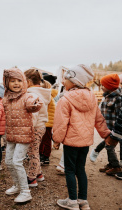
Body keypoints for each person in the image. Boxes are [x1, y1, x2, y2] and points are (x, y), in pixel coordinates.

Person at [53, 64, 110, 210]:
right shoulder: (92, 98)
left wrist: (56, 140)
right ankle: (83, 201)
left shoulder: (65, 99)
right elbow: (99, 119)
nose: (64, 82)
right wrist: (105, 134)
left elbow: (61, 123)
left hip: (71, 142)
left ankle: (72, 201)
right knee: (81, 169)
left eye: (66, 79)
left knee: (70, 170)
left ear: (74, 82)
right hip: (85, 141)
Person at [3, 68, 42, 203]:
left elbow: (32, 104)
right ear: (7, 83)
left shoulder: (27, 96)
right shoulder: (6, 99)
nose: (16, 83)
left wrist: (35, 104)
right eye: (12, 81)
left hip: (24, 135)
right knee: (8, 161)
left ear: (24, 82)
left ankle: (25, 191)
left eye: (19, 80)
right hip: (11, 136)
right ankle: (17, 185)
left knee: (16, 161)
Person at [89, 74, 122, 175]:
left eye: (103, 85)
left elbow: (119, 113)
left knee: (113, 146)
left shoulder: (118, 99)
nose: (102, 87)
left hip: (117, 129)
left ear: (110, 86)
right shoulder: (106, 97)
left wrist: (117, 129)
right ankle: (112, 164)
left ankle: (117, 166)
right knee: (109, 146)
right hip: (108, 128)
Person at [24, 69, 51, 187]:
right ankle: (39, 173)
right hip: (41, 126)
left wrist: (29, 128)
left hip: (34, 127)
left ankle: (31, 178)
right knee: (34, 151)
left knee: (33, 153)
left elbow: (33, 115)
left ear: (28, 82)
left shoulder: (32, 94)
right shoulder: (42, 93)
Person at [40, 74, 58, 165]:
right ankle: (42, 155)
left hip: (46, 122)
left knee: (46, 140)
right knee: (43, 140)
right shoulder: (48, 97)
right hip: (46, 122)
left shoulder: (47, 97)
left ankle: (46, 156)